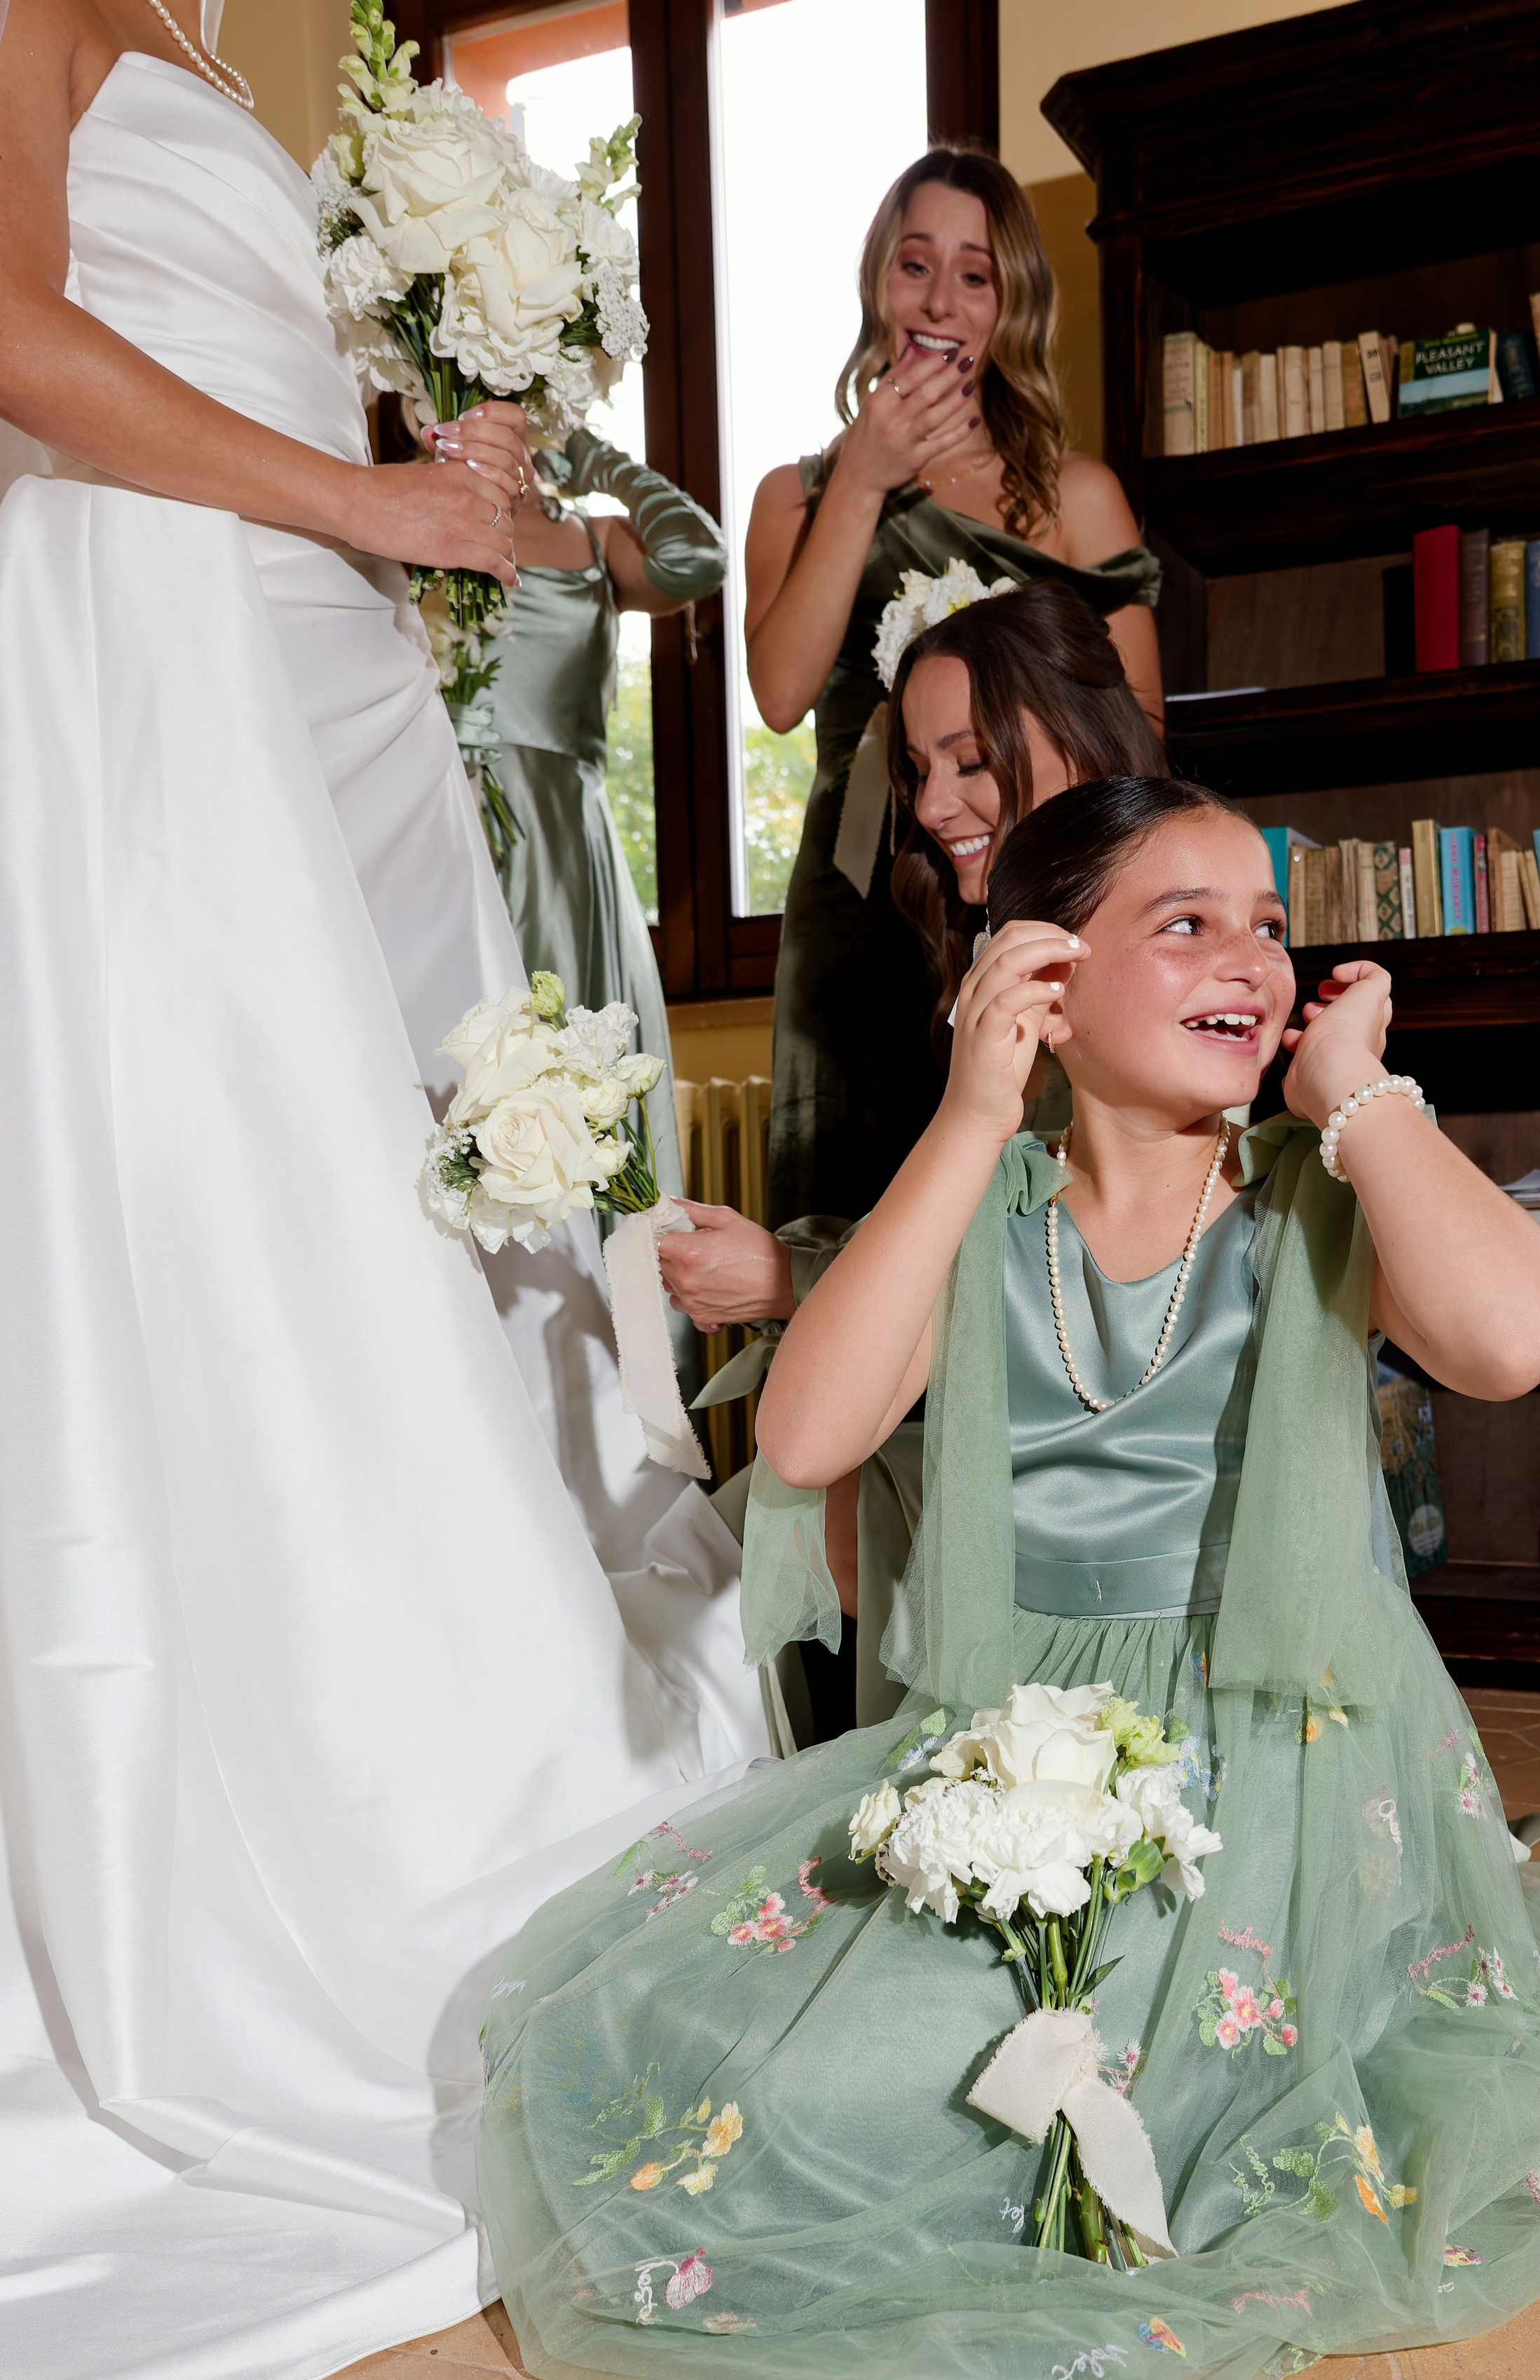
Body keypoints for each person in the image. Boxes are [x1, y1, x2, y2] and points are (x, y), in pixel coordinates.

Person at [478, 776, 1540, 2380]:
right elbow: (807, 1429)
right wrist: (971, 1113)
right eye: (1179, 918)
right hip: (1018, 1734)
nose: (1248, 954)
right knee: (767, 2075)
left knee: (1190, 2089)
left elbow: (1511, 1335)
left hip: (1282, 1730)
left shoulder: (1312, 1189)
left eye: (1264, 921)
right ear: (1034, 975)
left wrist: (1358, 1096)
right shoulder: (984, 1200)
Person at [0, 0, 765, 2380]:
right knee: (244, 1250)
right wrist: (362, 507)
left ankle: (469, 1744)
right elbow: (18, 336)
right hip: (161, 642)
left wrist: (425, 467)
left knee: (448, 1222)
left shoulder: (231, 47)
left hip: (309, 644)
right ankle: (292, 1837)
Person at [662, 581, 1167, 1727]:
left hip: (1112, 1470)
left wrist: (794, 1281)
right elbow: (991, 1216)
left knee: (750, 1544)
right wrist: (794, 1263)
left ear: (1081, 742)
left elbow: (1086, 1284)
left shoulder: (1140, 959)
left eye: (971, 760)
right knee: (720, 1543)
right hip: (1008, 1420)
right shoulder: (1006, 942)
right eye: (916, 772)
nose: (935, 805)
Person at [746, 145, 1163, 1230]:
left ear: (1010, 302)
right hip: (857, 912)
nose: (940, 299)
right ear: (878, 285)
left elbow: (1143, 742)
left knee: (1034, 1214)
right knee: (856, 1216)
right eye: (913, 265)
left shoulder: (1077, 498)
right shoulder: (792, 499)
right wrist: (865, 479)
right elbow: (783, 692)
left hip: (1037, 901)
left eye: (974, 275)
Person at [484, 430, 727, 1189]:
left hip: (563, 848)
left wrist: (596, 461)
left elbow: (696, 559)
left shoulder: (591, 538)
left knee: (572, 1076)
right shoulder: (398, 502)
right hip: (438, 824)